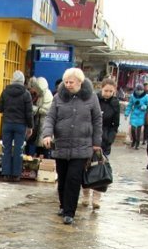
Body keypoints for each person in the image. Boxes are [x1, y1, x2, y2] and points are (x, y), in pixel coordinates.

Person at [42, 67, 102, 225]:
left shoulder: (91, 98)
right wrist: (47, 135)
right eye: (66, 82)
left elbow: (97, 120)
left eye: (71, 82)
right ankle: (63, 205)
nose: (68, 85)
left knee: (73, 179)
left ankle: (70, 212)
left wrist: (97, 143)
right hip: (61, 145)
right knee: (62, 179)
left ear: (80, 82)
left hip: (82, 146)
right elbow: (50, 118)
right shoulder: (58, 97)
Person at [81, 77, 120, 209]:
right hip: (89, 137)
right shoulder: (94, 99)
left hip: (105, 139)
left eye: (110, 91)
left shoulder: (115, 104)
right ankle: (85, 193)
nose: (107, 93)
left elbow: (115, 125)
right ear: (101, 89)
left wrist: (110, 138)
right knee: (85, 166)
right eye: (105, 90)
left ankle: (97, 197)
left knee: (100, 167)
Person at [0, 70, 33, 181]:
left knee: (6, 148)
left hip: (7, 124)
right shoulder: (26, 94)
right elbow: (29, 113)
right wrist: (30, 127)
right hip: (20, 125)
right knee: (18, 150)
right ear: (22, 81)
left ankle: (6, 173)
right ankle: (16, 175)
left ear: (12, 80)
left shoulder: (5, 92)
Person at [27, 76, 53, 156]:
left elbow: (46, 110)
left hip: (44, 123)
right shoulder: (41, 95)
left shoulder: (47, 95)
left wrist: (35, 109)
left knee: (44, 145)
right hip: (40, 123)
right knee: (39, 145)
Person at [124, 83, 148, 149]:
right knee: (133, 128)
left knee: (139, 129)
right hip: (134, 113)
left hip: (141, 114)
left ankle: (137, 143)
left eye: (140, 90)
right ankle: (134, 140)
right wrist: (126, 114)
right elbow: (130, 105)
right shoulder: (133, 96)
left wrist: (145, 107)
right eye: (138, 90)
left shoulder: (146, 96)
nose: (139, 91)